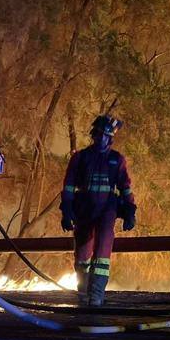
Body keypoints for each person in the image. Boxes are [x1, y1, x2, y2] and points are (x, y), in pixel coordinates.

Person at [60, 115, 136, 307]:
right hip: (84, 209)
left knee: (102, 253)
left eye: (107, 136)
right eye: (100, 134)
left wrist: (129, 211)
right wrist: (67, 211)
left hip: (107, 211)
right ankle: (83, 294)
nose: (103, 139)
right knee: (83, 255)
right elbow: (68, 186)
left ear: (111, 138)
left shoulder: (116, 160)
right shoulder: (81, 158)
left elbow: (125, 187)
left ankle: (96, 297)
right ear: (94, 135)